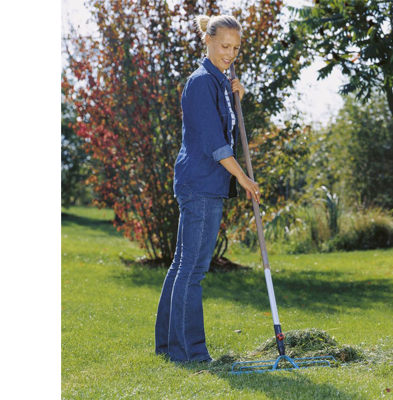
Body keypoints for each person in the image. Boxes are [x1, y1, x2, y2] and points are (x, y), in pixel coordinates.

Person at [154, 14, 261, 363]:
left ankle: (170, 348)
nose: (230, 53)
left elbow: (222, 124)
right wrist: (243, 178)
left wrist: (235, 95)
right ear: (209, 41)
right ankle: (191, 355)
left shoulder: (219, 82)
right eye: (223, 46)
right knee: (193, 270)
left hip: (201, 183)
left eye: (236, 48)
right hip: (201, 184)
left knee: (182, 265)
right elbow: (217, 145)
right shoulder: (201, 83)